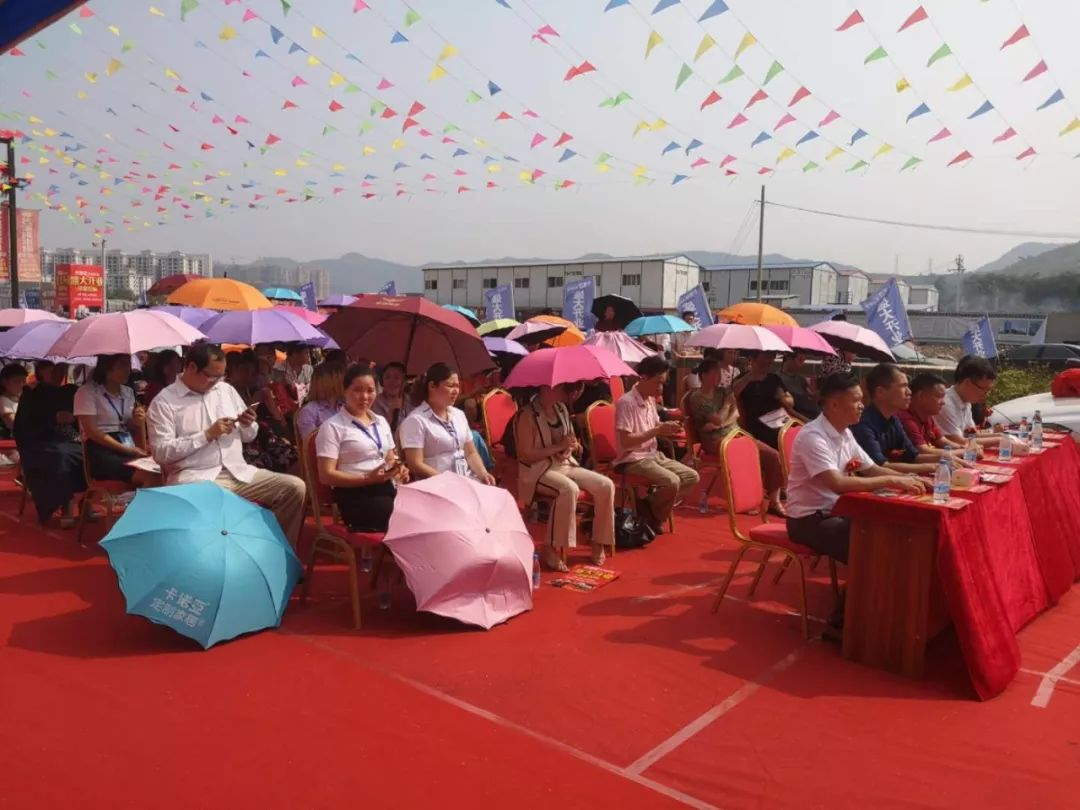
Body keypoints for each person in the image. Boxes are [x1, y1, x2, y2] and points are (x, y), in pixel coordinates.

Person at [147, 344, 307, 547]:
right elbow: (161, 453)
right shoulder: (164, 402)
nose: (216, 382)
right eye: (212, 377)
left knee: (294, 488)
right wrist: (206, 435)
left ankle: (277, 550)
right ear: (192, 368)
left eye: (221, 376)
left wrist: (248, 424)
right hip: (195, 477)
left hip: (237, 471)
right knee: (211, 500)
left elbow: (249, 436)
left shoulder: (226, 390)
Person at [786, 373, 925, 566]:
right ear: (834, 404)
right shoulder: (813, 437)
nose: (862, 406)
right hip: (809, 519)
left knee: (892, 527)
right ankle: (867, 585)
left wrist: (909, 478)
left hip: (838, 510)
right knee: (872, 540)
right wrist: (892, 480)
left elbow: (871, 469)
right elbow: (837, 484)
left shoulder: (845, 433)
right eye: (856, 401)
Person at [514, 384, 615, 570]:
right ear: (545, 388)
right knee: (569, 489)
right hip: (538, 470)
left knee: (606, 485)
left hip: (565, 464)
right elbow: (526, 454)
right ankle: (550, 547)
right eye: (559, 386)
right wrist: (559, 446)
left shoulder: (561, 409)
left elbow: (569, 440)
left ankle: (598, 540)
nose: (564, 389)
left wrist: (572, 445)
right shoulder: (526, 415)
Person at [315, 364, 409, 532]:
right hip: (354, 493)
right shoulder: (332, 427)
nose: (364, 397)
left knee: (418, 509)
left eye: (370, 391)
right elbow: (326, 475)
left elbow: (390, 457)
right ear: (345, 391)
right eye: (357, 390)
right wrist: (367, 478)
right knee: (400, 517)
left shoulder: (380, 422)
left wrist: (398, 468)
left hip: (385, 487)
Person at [614, 355, 699, 533]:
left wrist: (667, 427)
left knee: (692, 477)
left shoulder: (650, 400)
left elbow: (655, 426)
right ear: (643, 378)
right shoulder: (626, 402)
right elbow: (626, 441)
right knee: (672, 482)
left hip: (652, 455)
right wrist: (657, 431)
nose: (660, 388)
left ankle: (649, 509)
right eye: (657, 383)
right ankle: (653, 516)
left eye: (663, 383)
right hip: (632, 459)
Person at [687, 359, 785, 515]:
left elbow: (735, 415)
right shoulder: (697, 397)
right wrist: (726, 407)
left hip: (735, 434)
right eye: (714, 372)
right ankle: (744, 500)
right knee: (743, 455)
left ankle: (774, 501)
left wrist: (722, 422)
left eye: (719, 372)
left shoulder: (723, 392)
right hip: (715, 440)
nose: (719, 376)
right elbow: (717, 419)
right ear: (704, 375)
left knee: (773, 455)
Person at [13, 361, 86, 526]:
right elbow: (23, 428)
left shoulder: (71, 391)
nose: (58, 373)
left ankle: (85, 502)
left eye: (62, 368)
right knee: (61, 456)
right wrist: (52, 419)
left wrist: (75, 418)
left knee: (92, 452)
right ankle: (67, 506)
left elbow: (83, 419)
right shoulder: (31, 395)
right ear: (41, 372)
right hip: (40, 443)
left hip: (71, 439)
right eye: (53, 370)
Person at [399, 362, 496, 484]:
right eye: (450, 386)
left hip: (465, 479)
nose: (455, 391)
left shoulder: (459, 415)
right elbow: (415, 464)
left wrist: (483, 473)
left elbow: (470, 453)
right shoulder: (416, 420)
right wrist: (446, 481)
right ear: (432, 386)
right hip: (436, 484)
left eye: (457, 386)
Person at [73, 355, 160, 488]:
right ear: (107, 367)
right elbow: (91, 431)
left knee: (164, 470)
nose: (128, 370)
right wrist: (127, 450)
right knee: (150, 476)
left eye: (129, 365)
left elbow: (129, 426)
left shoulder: (128, 392)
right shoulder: (87, 392)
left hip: (127, 443)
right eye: (122, 365)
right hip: (102, 449)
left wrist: (136, 421)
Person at [850, 364, 943, 475]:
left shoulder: (893, 420)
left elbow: (914, 456)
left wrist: (946, 459)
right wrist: (933, 467)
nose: (909, 392)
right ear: (880, 392)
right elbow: (879, 466)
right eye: (903, 386)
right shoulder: (862, 424)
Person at [733, 351, 801, 449]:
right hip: (758, 424)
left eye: (769, 363)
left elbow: (790, 402)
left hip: (778, 419)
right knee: (782, 436)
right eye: (763, 363)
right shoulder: (743, 379)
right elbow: (733, 393)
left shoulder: (774, 379)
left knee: (798, 433)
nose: (766, 367)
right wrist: (748, 377)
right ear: (752, 360)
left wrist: (782, 398)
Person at [898, 373, 970, 458]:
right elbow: (923, 451)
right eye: (939, 397)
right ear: (921, 396)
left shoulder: (927, 416)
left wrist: (963, 448)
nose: (943, 402)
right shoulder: (905, 418)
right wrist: (965, 452)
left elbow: (942, 441)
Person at [937, 356, 998, 446]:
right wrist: (1000, 440)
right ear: (967, 383)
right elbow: (958, 441)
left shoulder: (966, 401)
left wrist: (1003, 436)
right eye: (984, 390)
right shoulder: (945, 403)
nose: (987, 394)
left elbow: (971, 435)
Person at [298, 363, 344, 441]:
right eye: (341, 379)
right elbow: (311, 444)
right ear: (330, 384)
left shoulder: (346, 406)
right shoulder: (309, 412)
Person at [777, 351, 820, 420]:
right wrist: (807, 421)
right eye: (800, 359)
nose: (802, 363)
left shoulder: (801, 379)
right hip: (801, 418)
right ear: (788, 358)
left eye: (803, 360)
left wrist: (814, 393)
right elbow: (787, 409)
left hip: (815, 415)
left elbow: (812, 398)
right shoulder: (778, 379)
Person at [0, 363, 28, 464]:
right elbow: (14, 424)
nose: (21, 385)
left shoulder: (23, 400)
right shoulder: (3, 401)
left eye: (23, 381)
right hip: (9, 446)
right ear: (5, 382)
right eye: (17, 381)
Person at [372, 361, 409, 432]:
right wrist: (391, 415)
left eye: (396, 377)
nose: (392, 381)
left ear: (404, 381)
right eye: (387, 377)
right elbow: (378, 431)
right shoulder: (375, 402)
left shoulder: (410, 401)